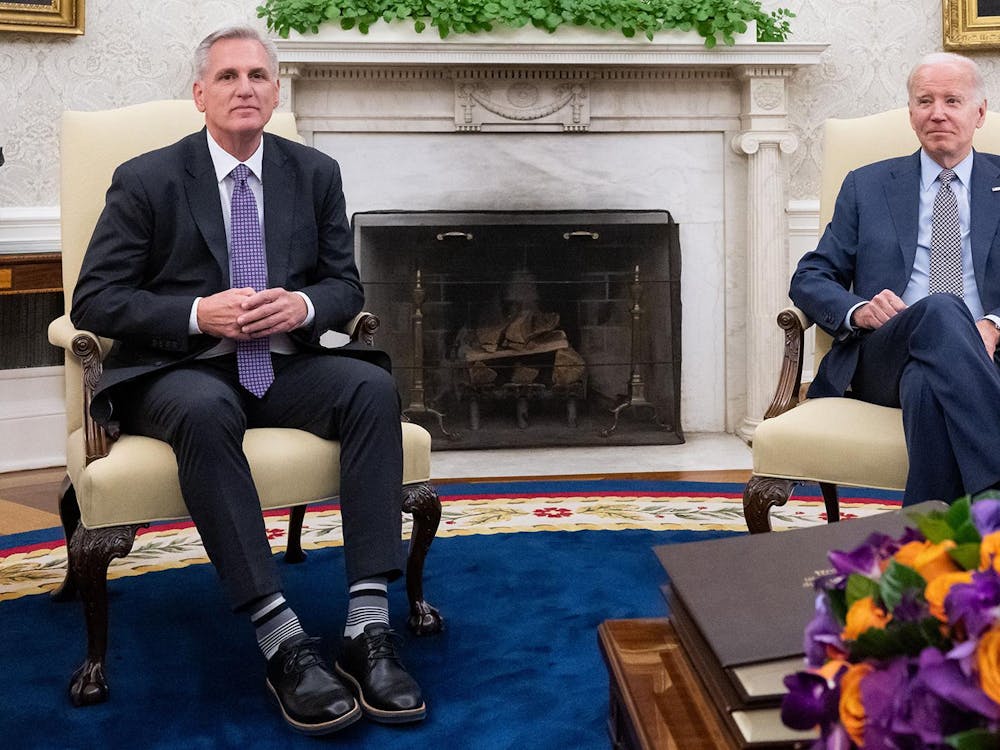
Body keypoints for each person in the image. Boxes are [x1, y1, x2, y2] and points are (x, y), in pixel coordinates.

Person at [70, 24, 425, 735]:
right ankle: (281, 639)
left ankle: (366, 625)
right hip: (181, 369)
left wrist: (302, 304)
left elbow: (343, 286)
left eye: (258, 76)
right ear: (200, 94)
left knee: (370, 387)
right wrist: (202, 312)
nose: (245, 89)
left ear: (276, 90)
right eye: (228, 77)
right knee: (203, 407)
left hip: (283, 364)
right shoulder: (148, 179)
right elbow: (96, 300)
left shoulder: (313, 173)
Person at [790, 51, 1000, 507]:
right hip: (884, 349)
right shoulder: (867, 185)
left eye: (952, 100)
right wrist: (859, 310)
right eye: (925, 101)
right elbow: (810, 275)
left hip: (985, 354)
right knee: (944, 308)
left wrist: (996, 322)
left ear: (979, 112)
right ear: (911, 114)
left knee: (926, 384)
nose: (937, 112)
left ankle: (929, 547)